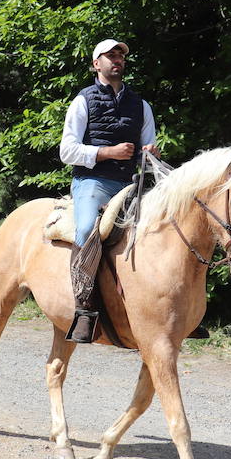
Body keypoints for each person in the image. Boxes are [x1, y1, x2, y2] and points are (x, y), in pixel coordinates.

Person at [58, 38, 158, 343]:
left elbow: (146, 152)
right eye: (109, 55)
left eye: (120, 56)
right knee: (88, 228)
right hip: (92, 181)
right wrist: (107, 153)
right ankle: (84, 307)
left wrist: (150, 153)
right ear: (95, 64)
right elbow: (67, 151)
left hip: (129, 184)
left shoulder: (141, 105)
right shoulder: (83, 101)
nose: (116, 59)